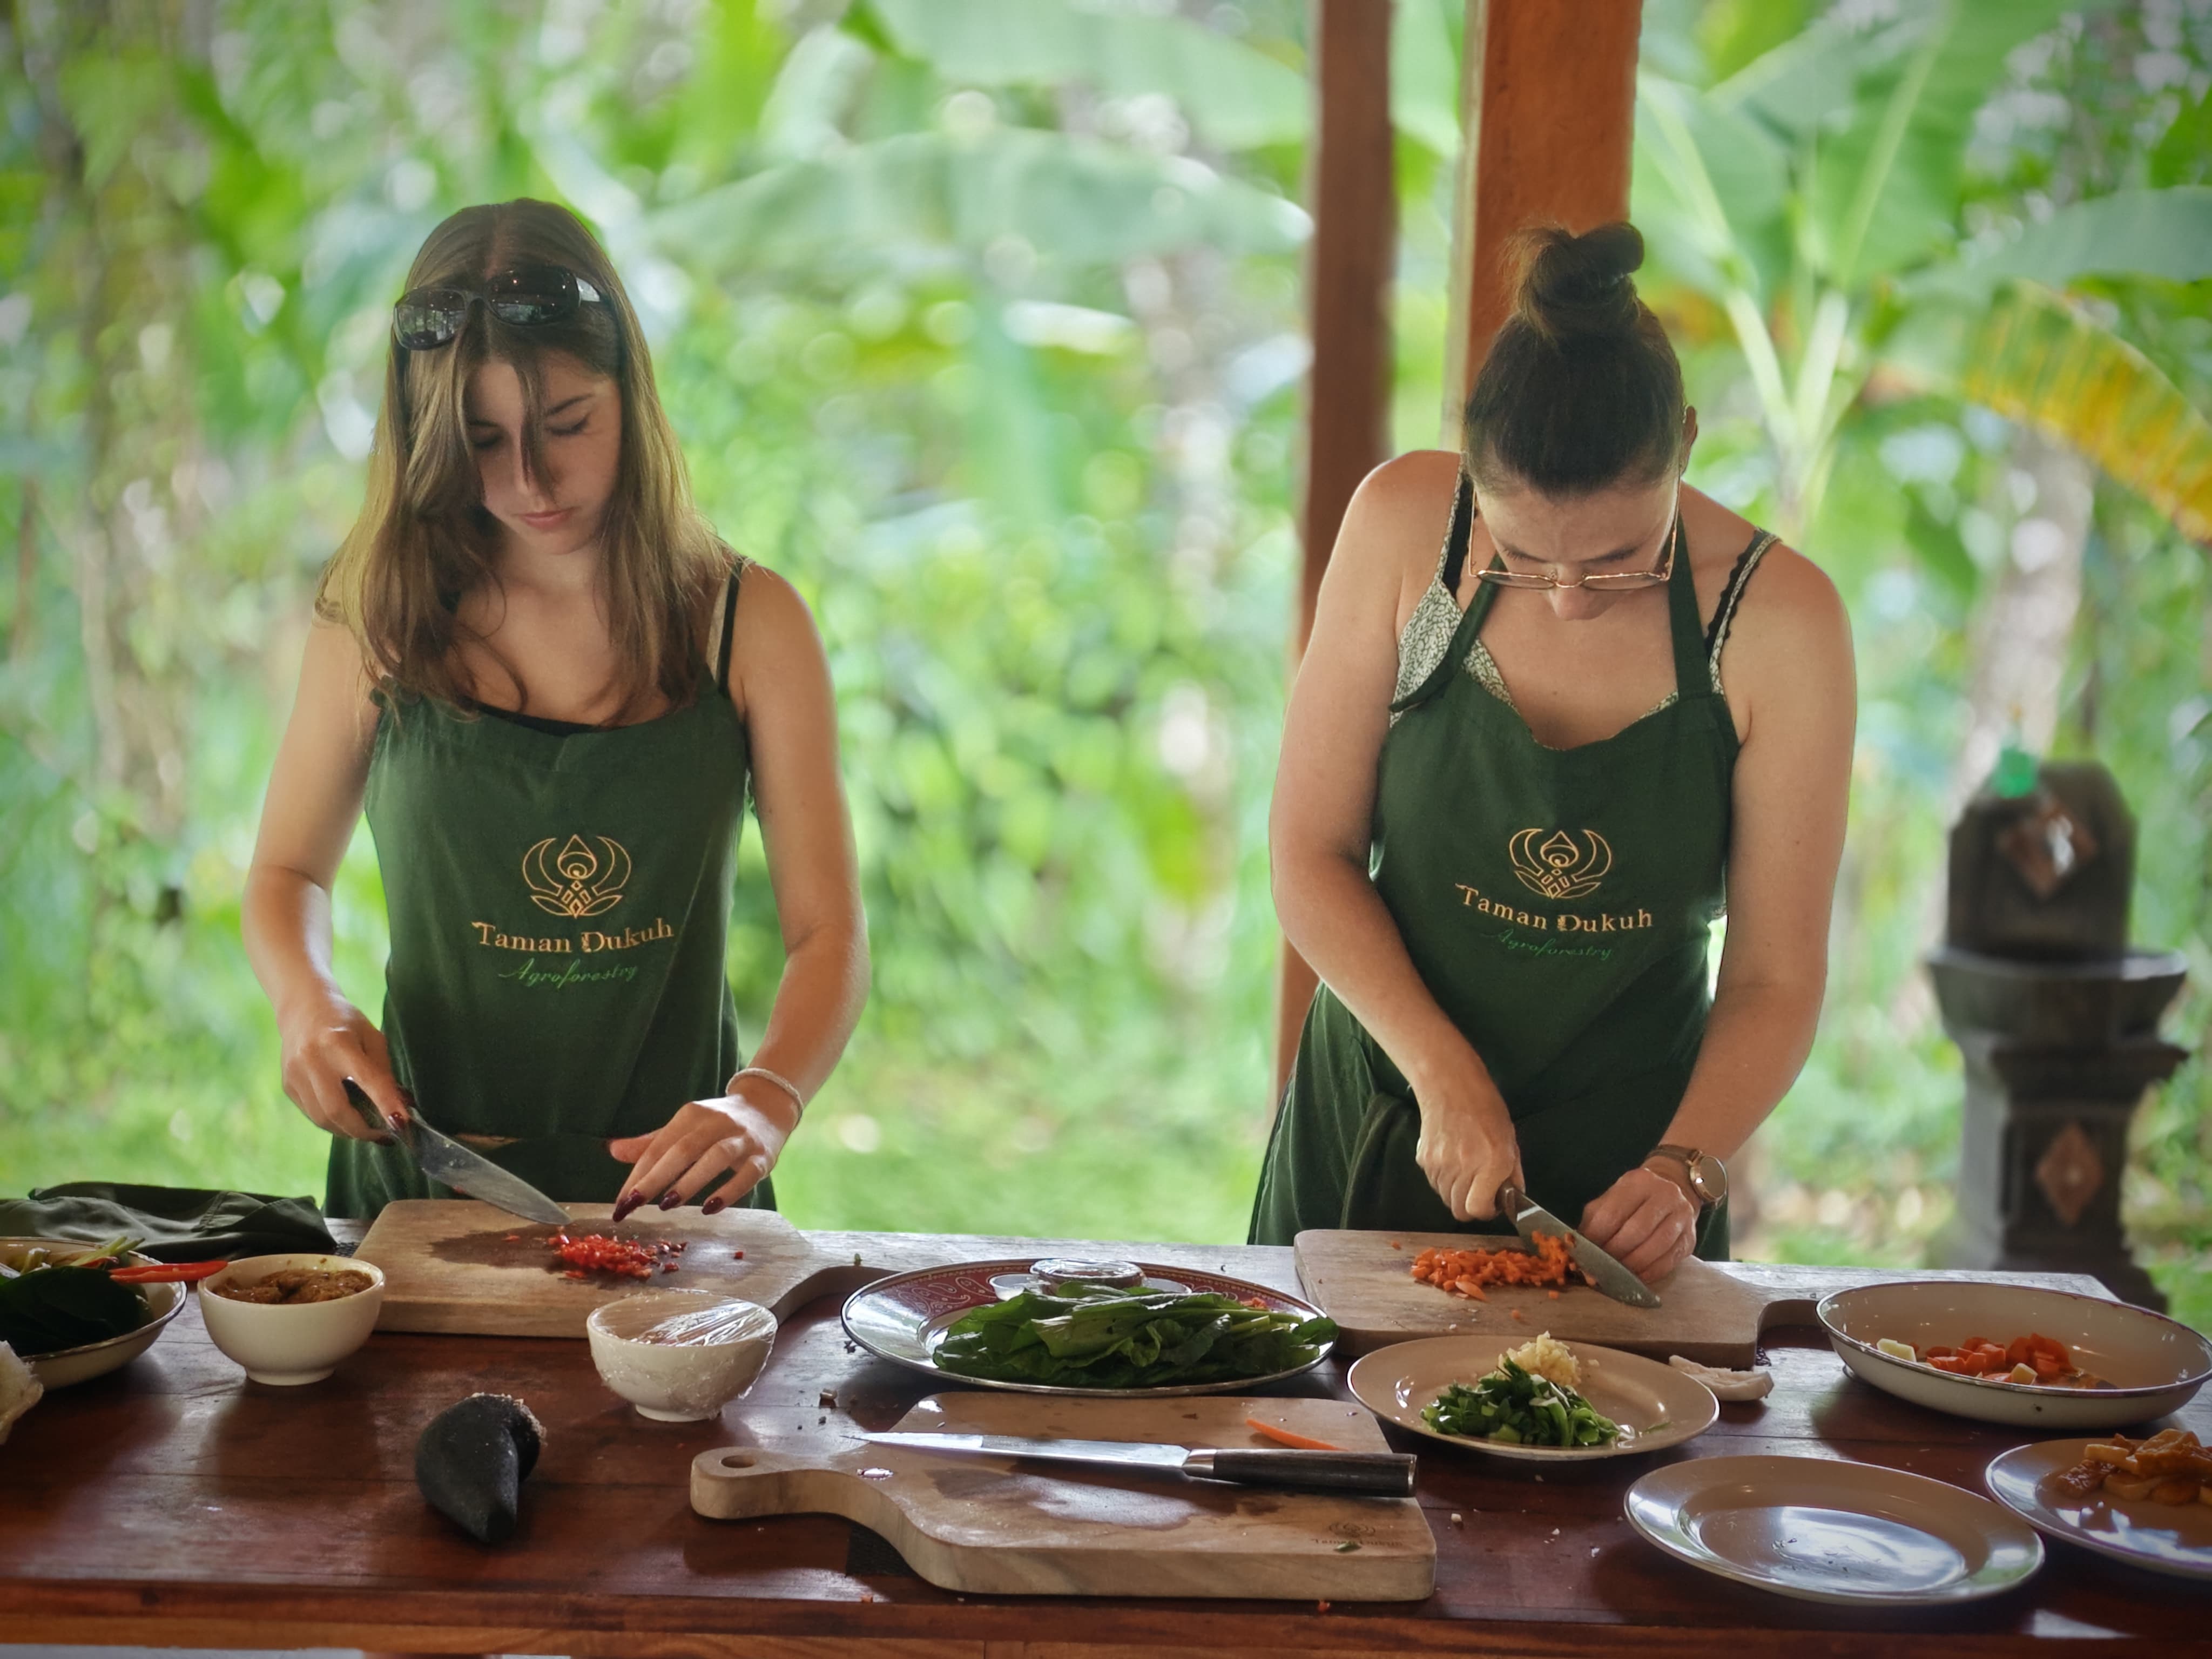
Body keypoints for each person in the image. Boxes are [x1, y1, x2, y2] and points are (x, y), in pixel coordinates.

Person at [244, 199, 867, 1222]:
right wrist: (305, 1003)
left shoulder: (747, 621)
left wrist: (766, 1100)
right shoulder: (380, 615)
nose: (529, 481)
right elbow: (286, 874)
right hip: (421, 1188)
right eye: (482, 441)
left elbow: (827, 931)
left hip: (677, 1201)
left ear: (631, 391)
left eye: (568, 424)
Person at [1252, 222, 1853, 1280]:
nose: (1569, 598)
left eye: (1620, 561)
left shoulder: (1780, 624)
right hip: (1384, 1110)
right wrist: (1441, 1070)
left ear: (1686, 443)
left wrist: (1683, 1169)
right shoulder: (1405, 527)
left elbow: (1774, 976)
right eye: (1523, 558)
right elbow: (1310, 854)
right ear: (1473, 467)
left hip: (1630, 1168)